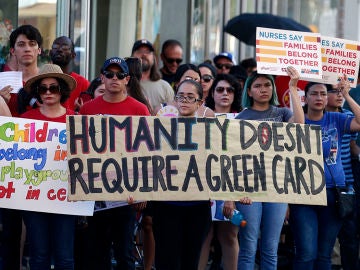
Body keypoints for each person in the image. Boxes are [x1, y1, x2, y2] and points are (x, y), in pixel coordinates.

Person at [79, 57, 150, 270]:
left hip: (126, 196)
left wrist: (143, 191)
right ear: (102, 77)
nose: (114, 78)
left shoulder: (139, 109)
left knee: (124, 253)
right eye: (109, 74)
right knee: (97, 253)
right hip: (96, 194)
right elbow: (80, 150)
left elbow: (147, 152)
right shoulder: (88, 109)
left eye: (120, 75)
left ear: (127, 79)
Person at [235, 67, 303, 270]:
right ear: (249, 91)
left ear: (273, 89)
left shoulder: (282, 113)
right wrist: (235, 193)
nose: (263, 89)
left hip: (277, 188)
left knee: (271, 248)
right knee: (248, 247)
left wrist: (292, 87)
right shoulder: (241, 118)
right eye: (257, 86)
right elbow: (233, 159)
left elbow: (300, 126)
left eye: (267, 85)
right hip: (249, 190)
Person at [289, 76, 360, 270]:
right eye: (313, 93)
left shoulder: (337, 118)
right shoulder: (296, 118)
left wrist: (346, 94)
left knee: (324, 255)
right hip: (304, 196)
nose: (319, 97)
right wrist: (293, 87)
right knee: (306, 254)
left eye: (322, 93)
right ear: (306, 98)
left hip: (334, 194)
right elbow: (298, 125)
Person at [20, 63, 77, 270]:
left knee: (64, 257)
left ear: (62, 90)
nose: (48, 92)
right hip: (35, 200)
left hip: (67, 201)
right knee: (39, 256)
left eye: (53, 87)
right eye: (42, 88)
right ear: (37, 92)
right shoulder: (25, 121)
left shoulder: (76, 120)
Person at [152, 79, 212, 270]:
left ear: (200, 103)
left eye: (190, 97)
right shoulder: (160, 128)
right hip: (166, 206)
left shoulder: (210, 132)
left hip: (197, 207)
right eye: (180, 97)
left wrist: (235, 194)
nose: (184, 101)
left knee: (190, 261)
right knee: (166, 261)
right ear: (175, 100)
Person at [0, 24, 43, 270]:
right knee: (11, 231)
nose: (27, 49)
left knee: (40, 235)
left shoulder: (50, 80)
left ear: (39, 49)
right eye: (21, 44)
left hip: (42, 164)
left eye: (31, 44)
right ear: (13, 51)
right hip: (11, 163)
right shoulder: (4, 83)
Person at [198, 73, 242, 270]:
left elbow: (241, 157)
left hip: (231, 183)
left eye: (230, 90)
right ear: (212, 93)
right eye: (220, 89)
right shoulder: (199, 116)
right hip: (201, 183)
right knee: (204, 236)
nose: (225, 93)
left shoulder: (242, 118)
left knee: (229, 235)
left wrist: (231, 195)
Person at [325, 84, 359, 270]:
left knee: (349, 234)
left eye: (341, 92)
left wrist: (347, 93)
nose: (339, 95)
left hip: (346, 184)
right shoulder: (315, 118)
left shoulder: (346, 116)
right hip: (322, 185)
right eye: (334, 92)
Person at [131, 39, 174, 111]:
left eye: (148, 52)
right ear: (132, 57)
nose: (144, 54)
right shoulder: (124, 85)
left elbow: (172, 116)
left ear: (154, 58)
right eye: (139, 51)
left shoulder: (165, 87)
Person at [50, 36, 90, 111]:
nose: (59, 50)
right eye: (56, 47)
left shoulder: (83, 84)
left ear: (73, 55)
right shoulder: (42, 81)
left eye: (65, 48)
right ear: (50, 53)